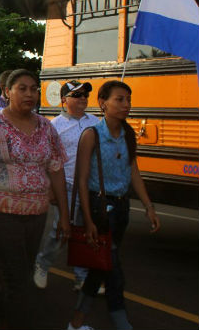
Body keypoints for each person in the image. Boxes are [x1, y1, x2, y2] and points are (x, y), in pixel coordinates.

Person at [0, 69, 71, 329]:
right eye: (22, 88)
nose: (29, 94)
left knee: (18, 272)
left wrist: (65, 218)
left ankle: (7, 315)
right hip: (2, 215)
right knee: (18, 278)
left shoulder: (46, 127)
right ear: (7, 92)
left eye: (34, 88)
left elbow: (56, 171)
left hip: (36, 215)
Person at [67, 80, 161, 330]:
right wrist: (87, 220)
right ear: (102, 103)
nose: (126, 105)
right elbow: (83, 179)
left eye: (128, 99)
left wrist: (149, 206)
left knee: (101, 266)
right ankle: (121, 321)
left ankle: (76, 321)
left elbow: (134, 171)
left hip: (121, 208)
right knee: (113, 267)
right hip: (100, 209)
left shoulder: (129, 134)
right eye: (119, 99)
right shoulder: (92, 135)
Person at [34, 81, 100, 291]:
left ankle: (81, 277)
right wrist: (51, 189)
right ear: (64, 100)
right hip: (68, 185)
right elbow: (45, 159)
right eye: (77, 95)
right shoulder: (54, 126)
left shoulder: (97, 122)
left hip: (90, 186)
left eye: (85, 95)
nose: (83, 98)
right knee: (61, 230)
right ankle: (42, 264)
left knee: (83, 232)